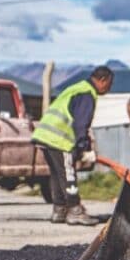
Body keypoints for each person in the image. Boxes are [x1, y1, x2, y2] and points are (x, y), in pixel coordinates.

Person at [32, 66, 114, 226]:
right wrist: (84, 148)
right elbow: (80, 124)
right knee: (68, 173)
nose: (108, 89)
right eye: (109, 85)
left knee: (57, 175)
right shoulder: (86, 93)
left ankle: (60, 210)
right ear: (102, 80)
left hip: (45, 136)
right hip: (59, 139)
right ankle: (75, 210)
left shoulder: (76, 88)